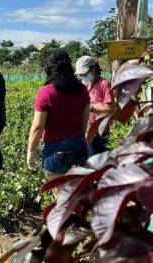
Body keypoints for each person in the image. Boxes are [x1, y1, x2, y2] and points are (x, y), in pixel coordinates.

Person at [27, 49, 90, 186]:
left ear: (49, 68)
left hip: (56, 150)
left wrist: (31, 151)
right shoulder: (82, 89)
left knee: (61, 197)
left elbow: (38, 127)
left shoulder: (46, 92)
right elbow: (84, 122)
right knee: (76, 193)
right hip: (79, 145)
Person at [75, 56, 115, 157]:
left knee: (96, 165)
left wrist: (91, 108)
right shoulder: (86, 84)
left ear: (93, 69)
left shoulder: (104, 84)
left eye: (84, 73)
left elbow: (110, 109)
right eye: (80, 74)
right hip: (87, 131)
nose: (82, 76)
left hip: (99, 133)